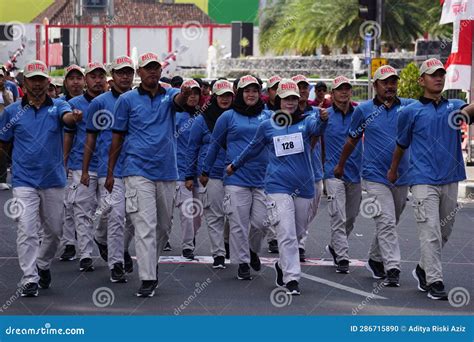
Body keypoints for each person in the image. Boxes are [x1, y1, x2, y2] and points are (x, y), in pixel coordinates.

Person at [228, 79, 328, 294]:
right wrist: (234, 165)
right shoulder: (267, 125)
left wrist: (322, 119)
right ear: (279, 100)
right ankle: (292, 278)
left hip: (304, 187)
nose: (290, 102)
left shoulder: (307, 121)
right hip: (277, 186)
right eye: (286, 98)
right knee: (286, 232)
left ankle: (282, 265)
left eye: (294, 98)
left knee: (298, 232)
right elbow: (253, 148)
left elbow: (318, 128)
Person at [106, 52, 192, 297]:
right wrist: (112, 172)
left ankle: (149, 264)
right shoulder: (127, 100)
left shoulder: (170, 94)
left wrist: (185, 93)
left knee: (163, 227)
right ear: (139, 72)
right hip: (136, 170)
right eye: (147, 68)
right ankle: (147, 278)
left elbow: (181, 102)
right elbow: (117, 137)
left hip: (166, 171)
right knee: (145, 225)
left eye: (156, 68)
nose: (153, 72)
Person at [388, 58, 474, 299]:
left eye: (441, 74)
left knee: (444, 232)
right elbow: (401, 143)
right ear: (421, 80)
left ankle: (423, 269)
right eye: (433, 74)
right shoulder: (410, 112)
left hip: (450, 177)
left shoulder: (455, 107)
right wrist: (393, 170)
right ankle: (435, 282)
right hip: (422, 180)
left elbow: (470, 111)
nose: (438, 78)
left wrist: (466, 110)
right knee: (431, 232)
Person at [0, 60, 82, 297]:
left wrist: (74, 117)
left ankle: (43, 264)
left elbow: (67, 119)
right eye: (32, 80)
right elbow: (4, 143)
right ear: (24, 83)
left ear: (48, 82)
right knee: (27, 229)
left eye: (40, 80)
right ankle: (29, 278)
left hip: (54, 181)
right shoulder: (13, 112)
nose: (36, 84)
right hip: (24, 181)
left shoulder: (59, 106)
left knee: (55, 231)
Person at [335, 65, 414, 287]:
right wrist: (340, 165)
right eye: (385, 82)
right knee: (386, 221)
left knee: (392, 220)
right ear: (375, 85)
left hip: (402, 176)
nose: (390, 86)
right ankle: (393, 268)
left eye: (393, 82)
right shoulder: (363, 110)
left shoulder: (408, 106)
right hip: (374, 176)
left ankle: (375, 258)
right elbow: (352, 140)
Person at [201, 75, 271, 280]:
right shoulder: (228, 117)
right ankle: (242, 263)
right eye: (247, 91)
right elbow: (214, 145)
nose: (251, 94)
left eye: (255, 91)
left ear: (260, 93)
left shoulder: (268, 116)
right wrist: (205, 171)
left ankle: (252, 250)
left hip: (262, 179)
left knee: (262, 223)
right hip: (235, 178)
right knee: (238, 224)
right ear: (239, 94)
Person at [81, 56, 135, 282]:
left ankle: (105, 241)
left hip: (137, 168)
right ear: (113, 76)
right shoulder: (99, 103)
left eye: (128, 72)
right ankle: (116, 264)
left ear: (134, 75)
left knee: (132, 218)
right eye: (120, 72)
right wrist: (85, 170)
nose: (124, 76)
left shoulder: (139, 99)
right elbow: (90, 139)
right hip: (109, 169)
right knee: (115, 215)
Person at [184, 79, 234, 269]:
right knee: (214, 215)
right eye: (221, 95)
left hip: (235, 174)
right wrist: (189, 175)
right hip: (209, 174)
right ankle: (219, 254)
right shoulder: (202, 119)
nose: (225, 99)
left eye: (228, 95)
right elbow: (192, 148)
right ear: (214, 97)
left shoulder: (237, 117)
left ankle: (228, 241)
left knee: (236, 214)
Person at [66, 62, 107, 272]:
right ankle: (85, 254)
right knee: (82, 211)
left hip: (110, 166)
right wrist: (64, 163)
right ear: (86, 80)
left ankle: (101, 238)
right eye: (93, 76)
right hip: (81, 166)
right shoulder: (73, 104)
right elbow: (67, 135)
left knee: (108, 211)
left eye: (101, 76)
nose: (97, 80)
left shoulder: (115, 102)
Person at [321, 76, 362, 274]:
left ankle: (335, 245)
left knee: (351, 217)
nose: (344, 92)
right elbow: (316, 142)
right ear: (333, 92)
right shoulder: (325, 116)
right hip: (332, 173)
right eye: (340, 89)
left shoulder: (360, 114)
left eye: (347, 88)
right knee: (338, 215)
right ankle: (343, 257)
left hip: (355, 173)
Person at [292, 74, 324, 262]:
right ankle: (297, 244)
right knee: (293, 210)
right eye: (299, 87)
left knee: (309, 211)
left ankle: (298, 237)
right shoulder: (285, 115)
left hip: (315, 171)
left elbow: (322, 139)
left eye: (305, 87)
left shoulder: (317, 113)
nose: (303, 90)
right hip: (294, 171)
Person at [59, 64, 86, 261]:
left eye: (79, 78)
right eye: (71, 78)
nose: (75, 82)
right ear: (65, 82)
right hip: (62, 161)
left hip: (85, 162)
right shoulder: (56, 104)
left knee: (85, 207)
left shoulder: (91, 103)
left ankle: (89, 244)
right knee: (68, 204)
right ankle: (69, 243)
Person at [175, 79, 203, 260]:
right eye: (189, 93)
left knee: (198, 213)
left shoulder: (202, 117)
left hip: (200, 171)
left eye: (196, 93)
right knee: (187, 210)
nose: (193, 97)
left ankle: (191, 238)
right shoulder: (175, 116)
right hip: (180, 170)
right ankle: (187, 246)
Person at [0, 69, 14, 190]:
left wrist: (3, 91)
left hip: (4, 125)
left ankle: (2, 179)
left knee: (3, 151)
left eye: (0, 77)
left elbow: (11, 106)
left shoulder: (7, 92)